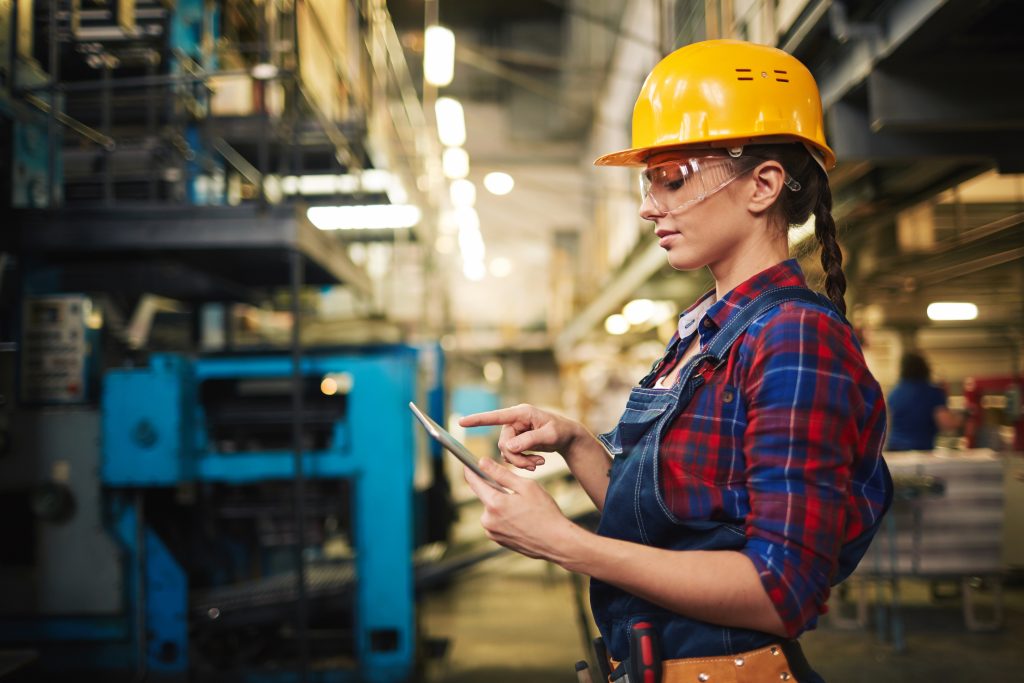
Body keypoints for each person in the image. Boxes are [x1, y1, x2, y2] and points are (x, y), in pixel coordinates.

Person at [458, 40, 893, 683]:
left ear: (764, 185)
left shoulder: (794, 336)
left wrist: (567, 545)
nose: (647, 205)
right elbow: (672, 522)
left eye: (674, 177)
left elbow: (782, 591)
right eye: (647, 181)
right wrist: (577, 442)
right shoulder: (704, 330)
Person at [887, 351, 959, 451]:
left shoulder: (894, 393)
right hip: (921, 451)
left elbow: (887, 426)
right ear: (925, 367)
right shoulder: (932, 392)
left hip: (895, 450)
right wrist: (962, 418)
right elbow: (946, 424)